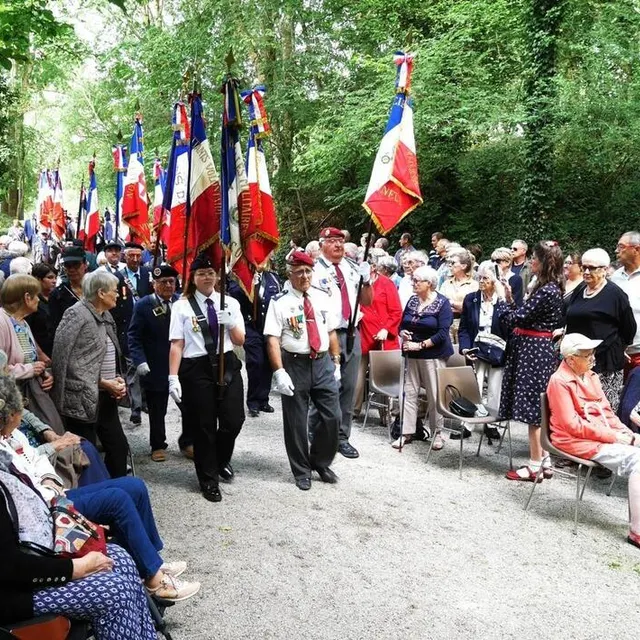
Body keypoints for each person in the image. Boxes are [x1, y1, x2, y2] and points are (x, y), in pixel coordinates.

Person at [0, 374, 200, 604]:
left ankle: (152, 560)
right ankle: (155, 580)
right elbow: (21, 492)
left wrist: (50, 481)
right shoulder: (3, 444)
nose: (11, 431)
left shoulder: (11, 434)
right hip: (43, 510)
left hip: (51, 494)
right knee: (116, 499)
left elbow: (35, 459)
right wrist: (49, 489)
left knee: (135, 486)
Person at [0, 461, 160, 637]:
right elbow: (9, 565)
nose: (7, 437)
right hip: (12, 594)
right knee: (115, 591)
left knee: (121, 559)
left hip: (30, 561)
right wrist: (75, 568)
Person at [548, 333, 640, 549]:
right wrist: (615, 437)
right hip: (575, 441)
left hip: (599, 436)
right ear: (571, 359)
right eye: (587, 354)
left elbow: (607, 413)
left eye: (592, 353)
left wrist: (627, 433)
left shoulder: (590, 376)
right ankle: (637, 531)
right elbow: (572, 426)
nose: (593, 358)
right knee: (638, 461)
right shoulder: (559, 381)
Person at [168, 253, 246, 503]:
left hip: (227, 364)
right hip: (196, 368)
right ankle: (208, 479)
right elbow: (177, 344)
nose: (207, 277)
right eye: (201, 273)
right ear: (192, 277)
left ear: (218, 276)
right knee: (204, 426)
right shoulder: (181, 306)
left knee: (234, 420)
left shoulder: (230, 303)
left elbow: (240, 340)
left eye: (211, 273)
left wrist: (231, 323)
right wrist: (173, 377)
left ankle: (220, 458)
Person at [264, 251, 341, 490]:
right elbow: (273, 339)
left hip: (322, 363)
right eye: (299, 272)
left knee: (333, 416)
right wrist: (279, 371)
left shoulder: (322, 297)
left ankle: (320, 460)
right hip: (295, 363)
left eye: (308, 271)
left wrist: (336, 361)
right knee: (296, 421)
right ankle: (301, 470)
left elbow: (331, 332)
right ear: (290, 274)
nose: (305, 276)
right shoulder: (279, 301)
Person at [52, 270, 130, 478]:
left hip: (105, 396)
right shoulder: (76, 314)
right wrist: (103, 382)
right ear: (101, 293)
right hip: (80, 399)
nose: (118, 295)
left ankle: (117, 489)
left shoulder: (106, 315)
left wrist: (116, 377)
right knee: (85, 455)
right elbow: (63, 358)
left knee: (119, 448)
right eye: (114, 291)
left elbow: (109, 352)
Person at [499, 241, 564, 481]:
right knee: (537, 406)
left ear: (544, 262)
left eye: (534, 258)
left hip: (533, 352)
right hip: (535, 349)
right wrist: (510, 297)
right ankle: (544, 461)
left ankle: (535, 464)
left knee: (533, 410)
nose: (530, 262)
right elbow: (524, 318)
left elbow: (517, 320)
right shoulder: (549, 287)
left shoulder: (546, 290)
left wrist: (502, 301)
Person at [312, 227, 373, 459]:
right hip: (328, 334)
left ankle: (341, 437)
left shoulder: (352, 268)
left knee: (348, 387)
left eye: (340, 240)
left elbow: (366, 301)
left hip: (352, 332)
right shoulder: (314, 270)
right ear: (322, 245)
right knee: (325, 386)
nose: (338, 244)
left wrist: (367, 281)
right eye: (332, 241)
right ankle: (316, 432)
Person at [564, 248, 636, 411]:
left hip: (604, 363)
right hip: (577, 360)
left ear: (604, 269)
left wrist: (619, 347)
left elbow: (629, 328)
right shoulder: (580, 289)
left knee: (599, 410)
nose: (586, 271)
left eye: (592, 268)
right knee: (577, 409)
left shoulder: (615, 295)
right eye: (584, 267)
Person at [128, 265, 186, 462]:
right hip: (155, 365)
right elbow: (134, 336)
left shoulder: (183, 303)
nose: (169, 285)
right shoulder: (144, 305)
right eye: (163, 282)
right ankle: (158, 444)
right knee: (157, 409)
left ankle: (188, 441)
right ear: (154, 284)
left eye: (172, 281)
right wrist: (140, 361)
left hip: (181, 366)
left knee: (188, 406)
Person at [394, 265, 453, 449]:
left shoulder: (442, 303)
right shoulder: (412, 300)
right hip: (410, 354)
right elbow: (401, 324)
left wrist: (419, 345)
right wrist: (403, 333)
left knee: (435, 395)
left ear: (429, 283)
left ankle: (437, 434)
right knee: (408, 393)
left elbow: (443, 333)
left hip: (433, 355)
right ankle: (406, 432)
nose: (413, 283)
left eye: (417, 281)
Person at [0, 274, 62, 433]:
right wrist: (29, 370)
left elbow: (32, 359)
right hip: (11, 402)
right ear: (27, 297)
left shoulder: (23, 322)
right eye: (36, 296)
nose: (39, 300)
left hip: (29, 395)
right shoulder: (2, 322)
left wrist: (43, 374)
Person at [458, 261, 509, 439]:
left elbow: (511, 326)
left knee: (496, 387)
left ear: (495, 281)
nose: (481, 281)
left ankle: (491, 423)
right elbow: (463, 327)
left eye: (486, 278)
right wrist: (465, 348)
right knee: (474, 386)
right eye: (479, 277)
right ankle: (468, 423)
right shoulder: (471, 299)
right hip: (476, 348)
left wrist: (505, 300)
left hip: (498, 351)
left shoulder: (503, 301)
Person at [228, 261, 282, 418]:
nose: (261, 263)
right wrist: (250, 285)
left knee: (268, 363)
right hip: (250, 326)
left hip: (269, 326)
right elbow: (234, 294)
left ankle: (263, 399)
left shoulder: (273, 277)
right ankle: (252, 401)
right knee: (256, 362)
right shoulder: (242, 277)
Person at [353, 254, 403, 418]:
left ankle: (384, 413)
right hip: (364, 331)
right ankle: (354, 409)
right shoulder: (357, 282)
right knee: (358, 370)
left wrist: (387, 329)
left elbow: (396, 312)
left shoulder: (387, 284)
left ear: (374, 267)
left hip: (383, 334)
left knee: (383, 373)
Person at [612, 231, 640, 375]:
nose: (617, 251)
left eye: (621, 246)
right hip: (618, 354)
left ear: (636, 249)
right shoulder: (615, 278)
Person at [438, 250, 478, 343]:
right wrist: (460, 305)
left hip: (465, 324)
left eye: (453, 263)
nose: (450, 265)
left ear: (464, 266)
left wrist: (451, 302)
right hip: (447, 324)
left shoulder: (474, 285)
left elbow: (471, 308)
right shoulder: (445, 284)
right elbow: (440, 305)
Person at [49, 245, 87, 331]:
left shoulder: (96, 289)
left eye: (76, 265)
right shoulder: (57, 295)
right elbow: (55, 326)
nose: (72, 269)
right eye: (68, 265)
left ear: (85, 265)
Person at [26, 263, 57, 358]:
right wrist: (40, 353)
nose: (54, 281)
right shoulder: (31, 301)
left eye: (55, 277)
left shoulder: (57, 297)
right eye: (50, 278)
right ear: (38, 279)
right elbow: (27, 331)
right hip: (40, 353)